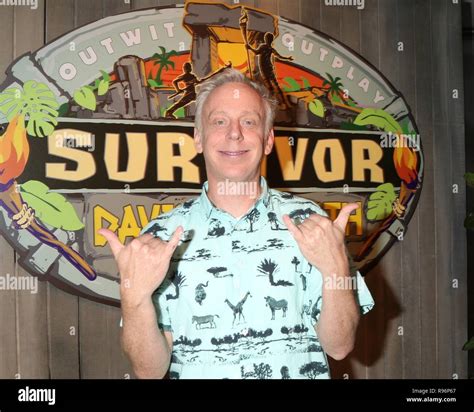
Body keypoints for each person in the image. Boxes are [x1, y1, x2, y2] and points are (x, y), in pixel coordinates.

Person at [100, 68, 374, 379]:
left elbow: (339, 346)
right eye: (219, 121)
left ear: (268, 140)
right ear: (199, 139)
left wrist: (336, 268)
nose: (234, 133)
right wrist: (134, 299)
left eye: (249, 121)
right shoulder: (159, 238)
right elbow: (149, 371)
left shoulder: (312, 222)